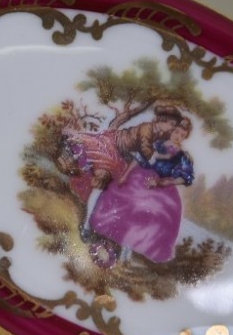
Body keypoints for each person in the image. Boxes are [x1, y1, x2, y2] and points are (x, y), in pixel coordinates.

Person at [82, 114, 195, 266]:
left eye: (182, 135)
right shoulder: (157, 144)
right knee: (123, 200)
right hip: (140, 177)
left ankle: (128, 251)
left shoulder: (182, 157)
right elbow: (139, 159)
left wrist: (164, 182)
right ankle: (111, 239)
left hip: (162, 188)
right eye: (176, 132)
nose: (178, 137)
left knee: (151, 212)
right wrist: (126, 175)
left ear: (185, 137)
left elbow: (186, 177)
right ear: (171, 131)